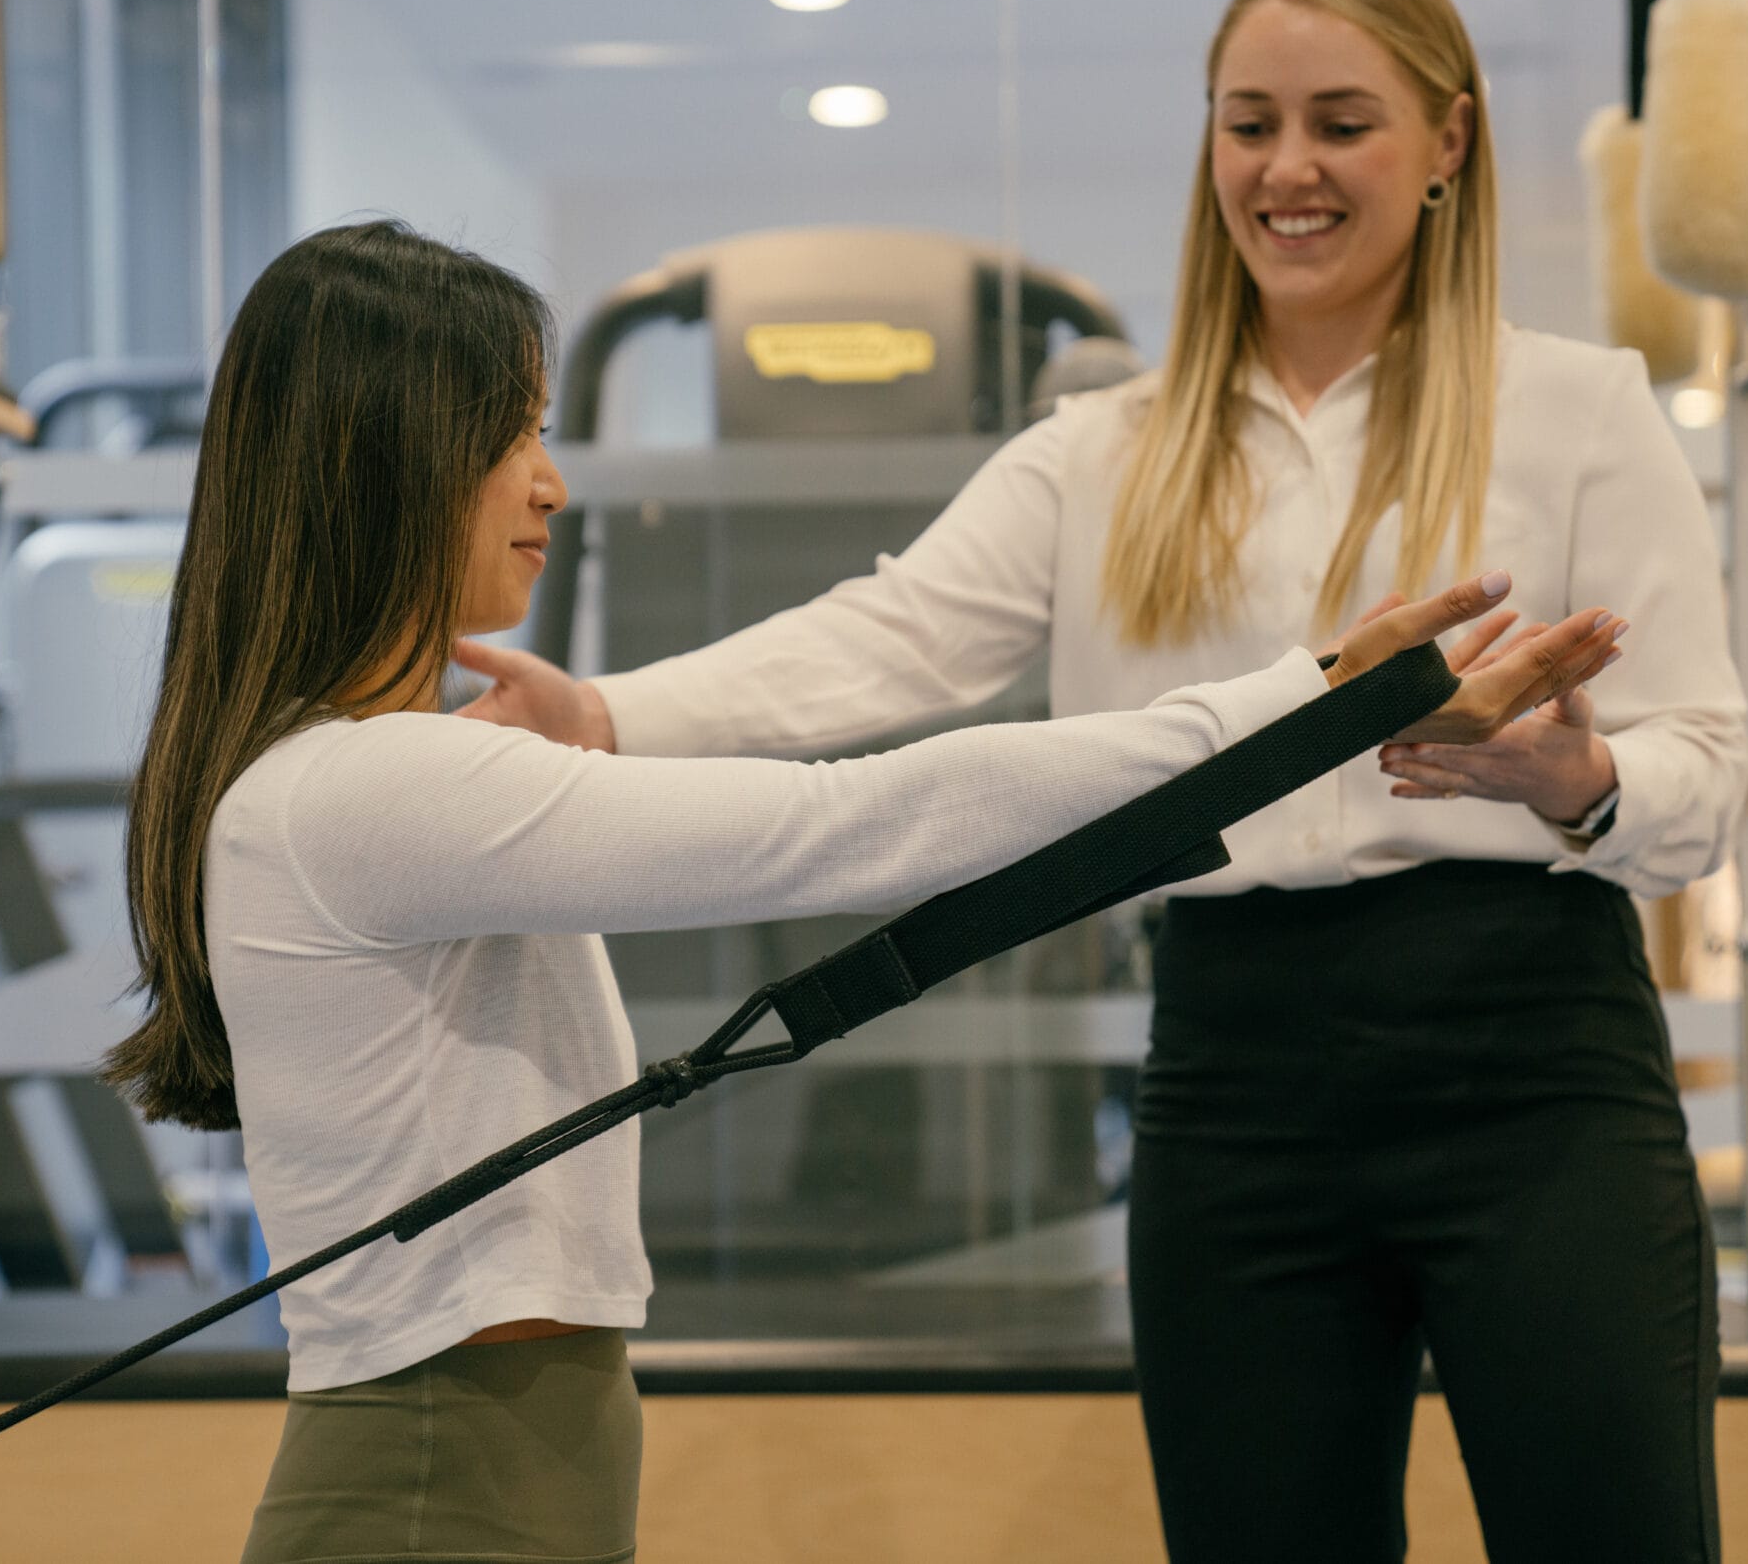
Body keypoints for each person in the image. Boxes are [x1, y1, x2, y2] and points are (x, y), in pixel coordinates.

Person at [458, 0, 1745, 1563]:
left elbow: (1709, 777)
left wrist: (1579, 783)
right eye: (1249, 122)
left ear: (1450, 147)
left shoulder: (1580, 409)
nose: (1288, 169)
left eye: (1343, 123)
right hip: (1235, 1070)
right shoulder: (1104, 449)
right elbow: (885, 636)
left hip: (1536, 1060)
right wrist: (605, 714)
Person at [95, 219, 1619, 1564]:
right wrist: (1308, 698)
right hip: (440, 1468)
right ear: (390, 461)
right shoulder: (363, 791)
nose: (550, 486)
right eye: (513, 438)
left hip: (499, 1448)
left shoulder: (360, 780)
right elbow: (846, 825)